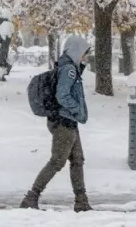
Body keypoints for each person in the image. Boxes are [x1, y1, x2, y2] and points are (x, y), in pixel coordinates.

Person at [21, 35, 92, 212]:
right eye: (84, 53)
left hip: (68, 121)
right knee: (57, 161)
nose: (85, 57)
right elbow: (62, 95)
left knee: (77, 160)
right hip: (64, 122)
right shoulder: (69, 69)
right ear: (76, 50)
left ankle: (81, 202)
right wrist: (77, 109)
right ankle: (31, 197)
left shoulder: (69, 67)